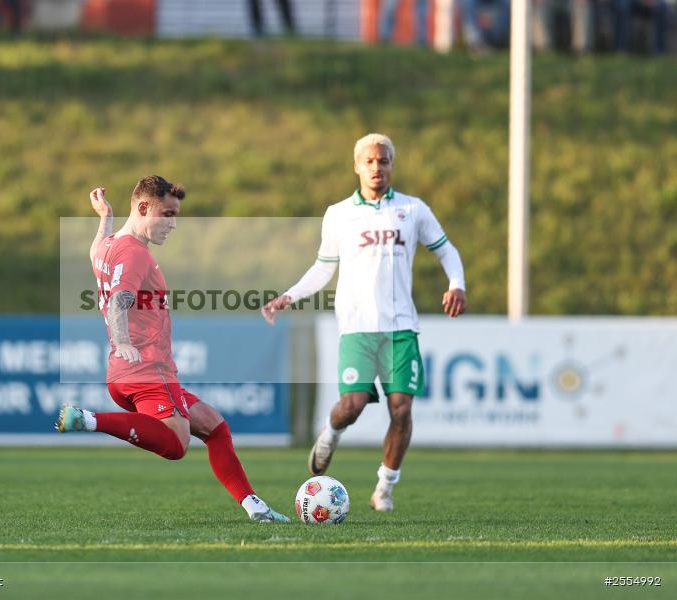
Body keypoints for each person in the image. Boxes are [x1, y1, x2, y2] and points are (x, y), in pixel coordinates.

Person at [57, 176, 290, 524]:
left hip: (123, 373)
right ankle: (88, 420)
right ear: (143, 208)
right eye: (166, 214)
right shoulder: (134, 253)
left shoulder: (110, 246)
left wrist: (105, 216)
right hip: (148, 369)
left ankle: (255, 507)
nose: (173, 224)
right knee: (177, 445)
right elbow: (120, 300)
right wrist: (123, 342)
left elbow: (95, 252)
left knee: (214, 426)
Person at [262, 134, 466, 513]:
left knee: (401, 409)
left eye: (384, 161)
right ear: (357, 165)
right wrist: (289, 295)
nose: (377, 168)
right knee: (352, 406)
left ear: (392, 165)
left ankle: (385, 486)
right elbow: (324, 267)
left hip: (401, 328)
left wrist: (457, 284)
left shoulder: (413, 209)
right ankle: (330, 433)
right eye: (370, 161)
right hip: (356, 328)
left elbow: (446, 250)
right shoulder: (339, 213)